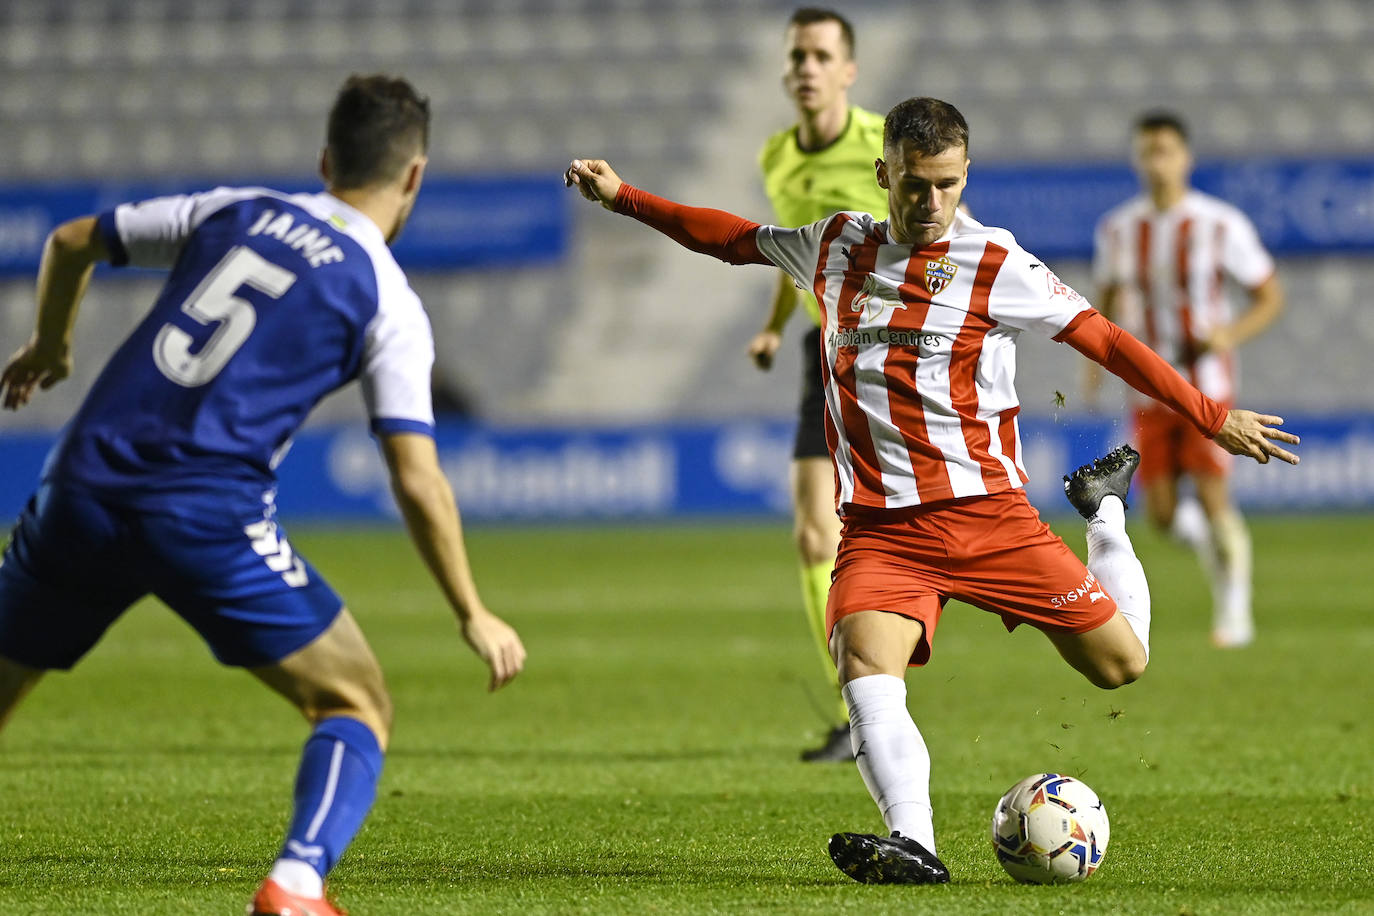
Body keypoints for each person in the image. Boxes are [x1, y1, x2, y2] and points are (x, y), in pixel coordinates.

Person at [564, 96, 1299, 884]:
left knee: (1122, 665)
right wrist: (626, 198)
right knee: (861, 657)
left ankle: (1106, 512)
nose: (931, 203)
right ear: (885, 174)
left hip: (991, 517)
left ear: (965, 175)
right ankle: (915, 845)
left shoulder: (996, 262)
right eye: (916, 185)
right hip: (883, 530)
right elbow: (731, 239)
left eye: (947, 184)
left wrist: (1211, 414)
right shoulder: (835, 243)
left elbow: (1108, 340)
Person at [0, 74, 527, 916]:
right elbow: (416, 474)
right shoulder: (386, 296)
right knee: (354, 701)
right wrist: (472, 609)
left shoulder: (234, 208)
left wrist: (51, 347)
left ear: (325, 160)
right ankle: (296, 881)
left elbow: (70, 240)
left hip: (82, 481)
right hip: (204, 510)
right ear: (416, 177)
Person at [750, 7, 888, 763]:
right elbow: (791, 252)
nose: (805, 66)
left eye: (820, 54)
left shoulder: (883, 143)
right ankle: (855, 706)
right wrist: (775, 323)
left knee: (910, 525)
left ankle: (886, 675)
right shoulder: (776, 156)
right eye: (797, 54)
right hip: (822, 344)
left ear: (848, 70)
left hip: (891, 348)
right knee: (811, 530)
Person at [1091, 110, 1284, 648]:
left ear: (1186, 158)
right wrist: (1089, 372)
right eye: (1148, 151)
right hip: (1150, 390)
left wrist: (1229, 334)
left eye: (1166, 151)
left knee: (1216, 496)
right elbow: (1100, 309)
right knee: (1161, 517)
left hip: (1208, 386)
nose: (1157, 162)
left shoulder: (1219, 223)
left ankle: (1235, 610)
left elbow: (1269, 295)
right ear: (1137, 158)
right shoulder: (1117, 229)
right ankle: (1209, 549)